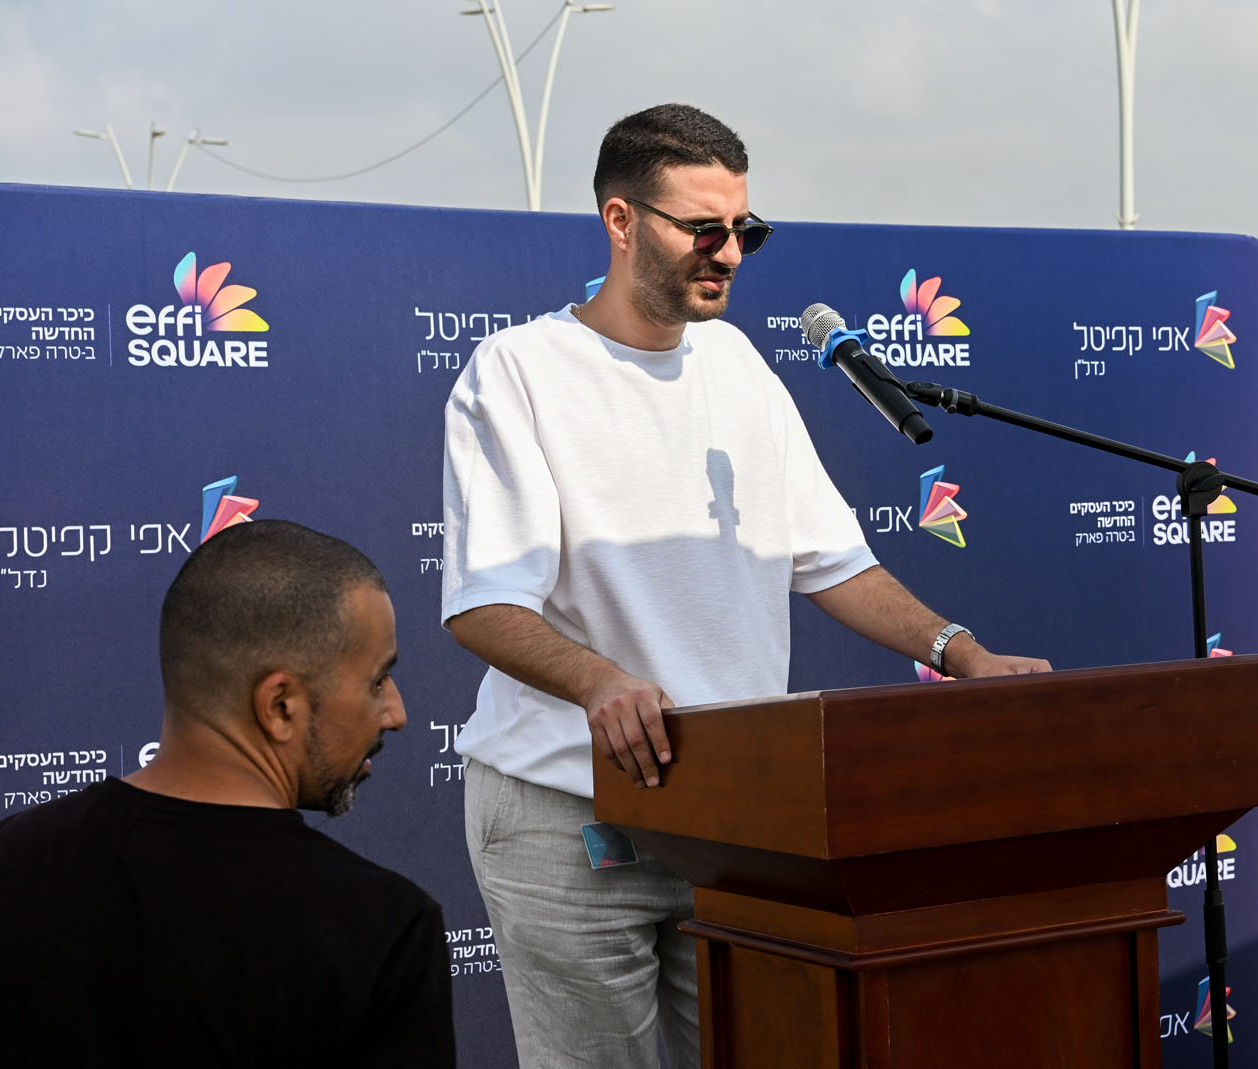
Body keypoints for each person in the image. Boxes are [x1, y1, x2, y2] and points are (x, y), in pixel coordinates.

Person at [441, 102, 1050, 1069]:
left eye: (745, 231)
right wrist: (601, 682)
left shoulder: (740, 365)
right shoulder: (520, 371)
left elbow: (832, 559)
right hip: (569, 815)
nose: (728, 253)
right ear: (621, 220)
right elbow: (483, 602)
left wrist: (959, 651)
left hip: (734, 817)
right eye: (704, 229)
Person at [0, 519, 455, 1068]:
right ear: (279, 705)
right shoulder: (381, 929)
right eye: (378, 680)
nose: (396, 713)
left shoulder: (9, 857)